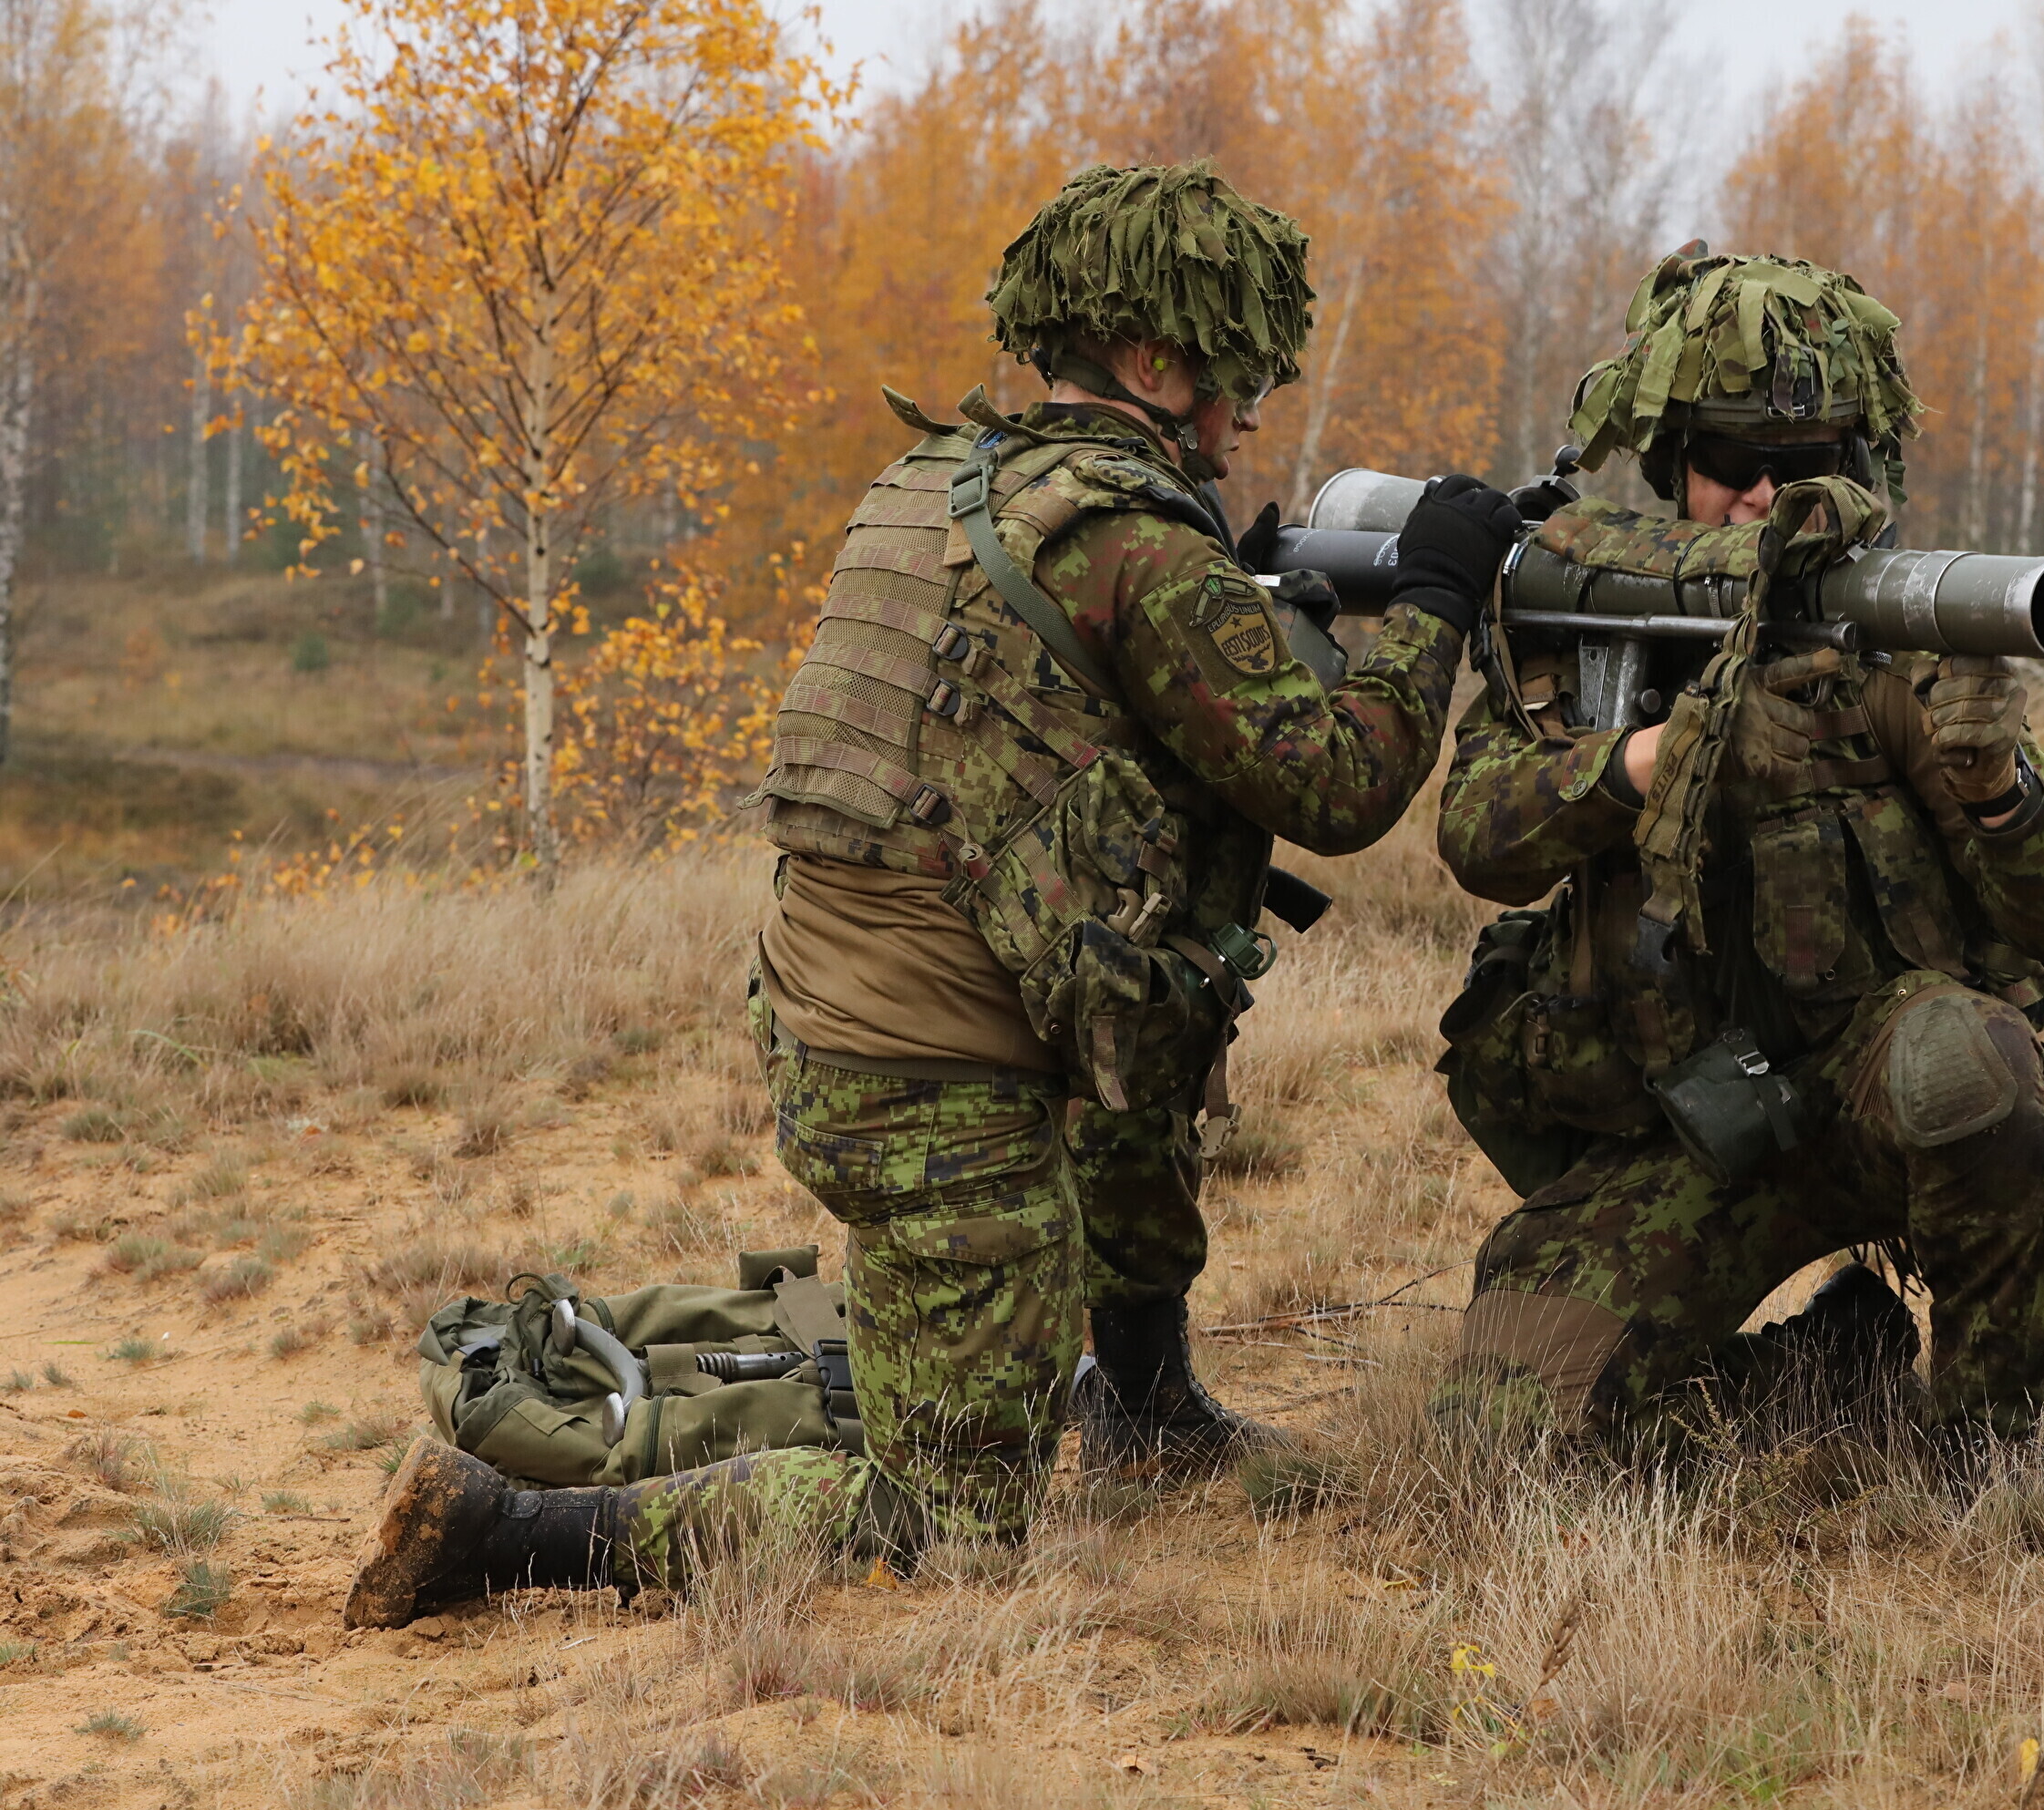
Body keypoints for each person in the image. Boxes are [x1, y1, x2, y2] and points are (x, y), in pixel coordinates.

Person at [345, 161, 1523, 1628]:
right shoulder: (1132, 543)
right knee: (947, 1521)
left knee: (1145, 1040)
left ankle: (1143, 1404)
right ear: (1152, 362)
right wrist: (1435, 604)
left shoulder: (943, 484)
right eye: (1237, 375)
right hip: (930, 1088)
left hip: (831, 1024)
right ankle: (510, 1531)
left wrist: (1238, 601)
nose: (1249, 413)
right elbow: (1340, 789)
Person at [1433, 246, 2044, 1467]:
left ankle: (1993, 1450)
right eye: (1731, 462)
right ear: (1673, 462)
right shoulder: (1588, 628)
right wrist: (1649, 759)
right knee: (1507, 1435)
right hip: (1698, 1124)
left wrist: (1995, 788)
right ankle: (1829, 1368)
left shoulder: (1899, 636)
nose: (1763, 497)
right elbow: (1480, 840)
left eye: (1804, 464)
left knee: (1963, 1066)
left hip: (1893, 1092)